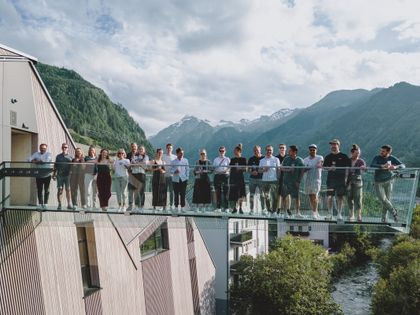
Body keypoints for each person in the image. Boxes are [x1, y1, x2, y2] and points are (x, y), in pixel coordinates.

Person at [370, 144, 405, 223]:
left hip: (389, 181)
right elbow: (372, 165)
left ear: (388, 152)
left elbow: (403, 165)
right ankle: (394, 211)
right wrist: (383, 166)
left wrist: (395, 167)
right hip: (378, 182)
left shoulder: (392, 158)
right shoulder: (377, 157)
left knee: (387, 200)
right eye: (381, 151)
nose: (381, 152)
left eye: (383, 151)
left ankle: (383, 219)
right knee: (383, 199)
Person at [323, 139, 351, 220]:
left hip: (341, 180)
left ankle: (339, 214)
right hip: (331, 179)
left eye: (335, 144)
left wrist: (346, 178)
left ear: (338, 145)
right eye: (332, 145)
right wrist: (329, 168)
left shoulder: (344, 156)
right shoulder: (328, 157)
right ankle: (329, 213)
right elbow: (324, 167)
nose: (333, 146)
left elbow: (348, 167)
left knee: (340, 197)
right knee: (329, 197)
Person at [281, 145, 305, 218]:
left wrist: (299, 181)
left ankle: (298, 213)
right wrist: (288, 170)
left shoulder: (300, 160)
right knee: (284, 197)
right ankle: (285, 213)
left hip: (295, 182)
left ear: (295, 152)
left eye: (290, 150)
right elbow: (281, 168)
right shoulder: (286, 159)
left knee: (297, 198)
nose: (288, 152)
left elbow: (302, 171)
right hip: (286, 181)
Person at [29, 143, 53, 209]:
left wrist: (36, 161)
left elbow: (45, 161)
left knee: (46, 190)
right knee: (39, 190)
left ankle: (45, 203)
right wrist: (35, 161)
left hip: (47, 175)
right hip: (39, 175)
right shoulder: (36, 153)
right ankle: (40, 203)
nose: (43, 149)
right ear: (39, 148)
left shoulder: (48, 154)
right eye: (41, 148)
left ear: (46, 149)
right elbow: (29, 159)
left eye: (44, 148)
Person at [303, 144, 324, 219]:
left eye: (314, 150)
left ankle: (314, 212)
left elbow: (320, 163)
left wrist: (318, 165)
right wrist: (307, 168)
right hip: (307, 179)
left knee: (315, 196)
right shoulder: (305, 159)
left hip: (316, 179)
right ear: (309, 151)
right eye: (311, 150)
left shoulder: (319, 157)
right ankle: (315, 211)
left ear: (316, 150)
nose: (312, 151)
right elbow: (303, 170)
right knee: (310, 196)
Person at [259, 145, 281, 215]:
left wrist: (278, 178)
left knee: (275, 196)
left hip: (274, 180)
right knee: (266, 196)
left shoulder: (276, 159)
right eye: (268, 150)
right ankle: (269, 210)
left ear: (272, 151)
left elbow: (278, 169)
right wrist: (264, 170)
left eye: (270, 150)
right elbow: (259, 170)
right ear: (265, 151)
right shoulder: (262, 160)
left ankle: (274, 211)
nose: (269, 151)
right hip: (265, 180)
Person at [347, 144, 366, 222]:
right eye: (356, 153)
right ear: (352, 153)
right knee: (349, 197)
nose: (358, 154)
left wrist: (363, 168)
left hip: (357, 180)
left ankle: (359, 215)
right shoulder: (348, 160)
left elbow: (364, 169)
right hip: (348, 180)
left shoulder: (361, 161)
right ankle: (351, 214)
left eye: (359, 153)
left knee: (358, 197)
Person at [52, 143, 73, 210]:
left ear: (68, 148)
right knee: (60, 189)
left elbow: (73, 166)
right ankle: (59, 204)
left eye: (66, 147)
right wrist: (54, 174)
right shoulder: (58, 156)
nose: (64, 148)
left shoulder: (71, 157)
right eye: (63, 147)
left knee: (68, 190)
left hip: (68, 176)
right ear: (62, 148)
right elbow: (55, 165)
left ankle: (69, 204)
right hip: (60, 175)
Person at [228, 144, 247, 214]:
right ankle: (234, 208)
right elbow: (229, 167)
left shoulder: (243, 159)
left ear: (239, 151)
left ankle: (241, 208)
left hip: (240, 178)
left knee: (241, 193)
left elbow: (246, 169)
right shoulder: (232, 159)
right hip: (233, 178)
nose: (234, 152)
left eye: (236, 151)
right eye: (234, 151)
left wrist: (240, 168)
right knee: (233, 194)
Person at [171, 147, 189, 212]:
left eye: (183, 153)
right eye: (180, 153)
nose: (182, 154)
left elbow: (187, 169)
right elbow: (171, 170)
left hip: (183, 179)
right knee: (176, 194)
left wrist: (187, 178)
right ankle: (176, 207)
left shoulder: (185, 160)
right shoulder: (173, 161)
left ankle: (182, 207)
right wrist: (175, 171)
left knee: (183, 194)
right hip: (175, 179)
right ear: (177, 153)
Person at [248, 145, 265, 214]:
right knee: (251, 195)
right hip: (252, 179)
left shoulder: (264, 158)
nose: (256, 152)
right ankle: (251, 210)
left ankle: (263, 209)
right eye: (255, 150)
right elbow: (248, 168)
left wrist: (259, 171)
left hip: (262, 179)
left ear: (260, 150)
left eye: (257, 150)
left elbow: (265, 169)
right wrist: (251, 172)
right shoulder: (251, 159)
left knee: (262, 195)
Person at [213, 146, 231, 212]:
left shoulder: (227, 159)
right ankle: (218, 208)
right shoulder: (215, 159)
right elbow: (214, 168)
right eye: (220, 151)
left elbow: (230, 167)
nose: (221, 152)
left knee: (226, 192)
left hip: (225, 176)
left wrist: (224, 171)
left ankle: (226, 208)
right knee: (218, 192)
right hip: (217, 176)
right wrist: (219, 171)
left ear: (225, 151)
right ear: (219, 151)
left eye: (223, 151)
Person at [162, 143, 176, 209]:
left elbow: (176, 166)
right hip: (164, 176)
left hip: (172, 176)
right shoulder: (163, 156)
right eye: (168, 148)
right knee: (163, 191)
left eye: (170, 148)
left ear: (172, 149)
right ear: (166, 148)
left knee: (171, 191)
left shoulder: (175, 157)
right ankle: (163, 205)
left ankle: (171, 205)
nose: (169, 149)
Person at [126, 143, 139, 210]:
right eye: (132, 146)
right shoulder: (128, 154)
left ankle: (136, 205)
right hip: (130, 174)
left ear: (137, 147)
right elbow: (126, 164)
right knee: (130, 190)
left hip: (137, 174)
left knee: (136, 190)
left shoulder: (140, 155)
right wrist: (128, 168)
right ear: (131, 147)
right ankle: (130, 205)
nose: (133, 148)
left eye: (135, 146)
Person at [276, 143, 288, 213]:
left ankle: (286, 210)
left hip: (286, 178)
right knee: (278, 194)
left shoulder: (288, 157)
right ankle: (278, 209)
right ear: (279, 149)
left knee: (286, 195)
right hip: (278, 178)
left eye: (283, 148)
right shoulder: (276, 158)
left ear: (285, 149)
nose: (282, 149)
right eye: (280, 148)